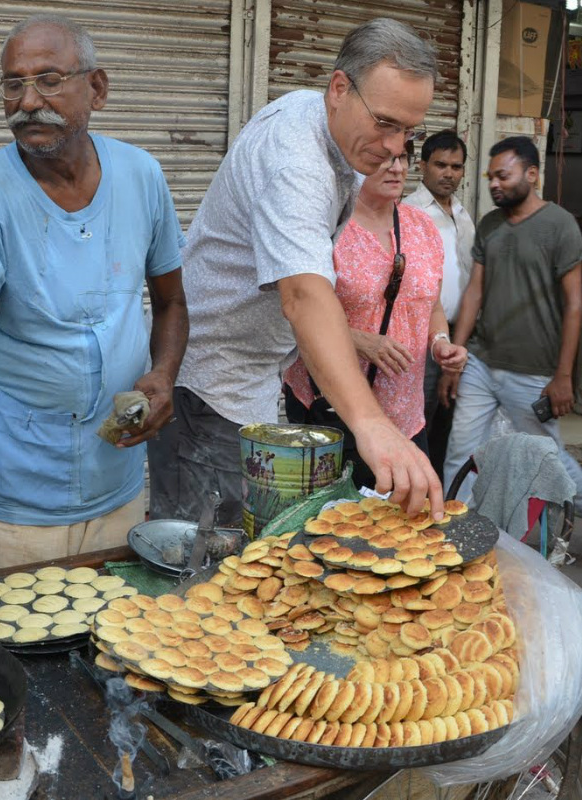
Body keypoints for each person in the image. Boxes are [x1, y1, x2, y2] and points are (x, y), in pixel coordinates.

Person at [150, 18, 444, 525]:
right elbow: (304, 296)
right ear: (338, 89)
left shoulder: (337, 129)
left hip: (254, 378)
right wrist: (372, 424)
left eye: (409, 131)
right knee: (205, 562)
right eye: (386, 123)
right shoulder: (295, 161)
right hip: (209, 387)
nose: (397, 147)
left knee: (254, 541)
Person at [0, 15, 188, 573]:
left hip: (117, 478)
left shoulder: (141, 175)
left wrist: (165, 373)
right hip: (16, 495)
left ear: (97, 88)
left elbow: (170, 300)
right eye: (12, 84)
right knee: (7, 648)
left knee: (109, 644)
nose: (27, 101)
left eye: (49, 80)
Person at [440, 136, 582, 563]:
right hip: (482, 362)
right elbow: (474, 293)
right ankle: (456, 542)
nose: (494, 185)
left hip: (533, 370)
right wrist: (456, 357)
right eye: (491, 177)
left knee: (547, 460)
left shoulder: (559, 226)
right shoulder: (489, 224)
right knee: (460, 454)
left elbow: (575, 304)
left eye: (503, 175)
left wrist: (563, 375)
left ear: (532, 174)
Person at [283, 151, 469, 487]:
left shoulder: (422, 227)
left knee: (401, 527)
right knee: (331, 528)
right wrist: (358, 340)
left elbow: (432, 304)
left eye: (403, 159)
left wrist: (440, 342)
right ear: (356, 164)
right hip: (334, 410)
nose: (396, 168)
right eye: (384, 159)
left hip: (406, 415)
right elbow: (295, 309)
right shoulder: (329, 229)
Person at [403, 129, 475, 475]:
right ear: (422, 166)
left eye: (457, 167)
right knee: (421, 422)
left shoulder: (462, 213)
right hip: (424, 339)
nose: (449, 173)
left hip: (458, 336)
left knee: (449, 422)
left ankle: (441, 498)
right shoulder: (408, 212)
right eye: (441, 165)